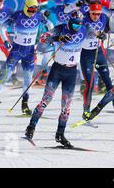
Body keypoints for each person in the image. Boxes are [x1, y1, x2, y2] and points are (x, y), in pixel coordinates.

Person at [0, 0, 52, 115]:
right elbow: (3, 27)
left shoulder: (38, 16)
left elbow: (49, 25)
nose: (32, 13)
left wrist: (50, 37)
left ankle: (25, 104)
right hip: (17, 50)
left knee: (28, 79)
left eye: (34, 10)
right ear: (25, 8)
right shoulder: (18, 15)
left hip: (29, 51)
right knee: (6, 75)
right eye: (30, 10)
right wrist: (5, 40)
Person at [25, 11, 87, 148]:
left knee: (66, 107)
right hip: (57, 70)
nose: (77, 27)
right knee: (46, 100)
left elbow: (97, 31)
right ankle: (31, 127)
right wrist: (58, 38)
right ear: (70, 21)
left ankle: (60, 134)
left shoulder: (84, 29)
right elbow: (43, 38)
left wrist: (101, 34)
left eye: (79, 24)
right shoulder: (60, 28)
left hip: (71, 72)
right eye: (75, 24)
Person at [81, 2, 114, 119]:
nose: (96, 16)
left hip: (99, 53)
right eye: (93, 14)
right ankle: (86, 110)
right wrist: (99, 34)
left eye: (98, 14)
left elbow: (113, 25)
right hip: (86, 55)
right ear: (89, 12)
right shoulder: (84, 19)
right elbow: (90, 29)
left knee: (108, 81)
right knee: (90, 83)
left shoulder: (103, 17)